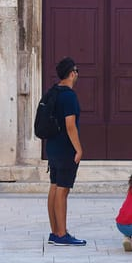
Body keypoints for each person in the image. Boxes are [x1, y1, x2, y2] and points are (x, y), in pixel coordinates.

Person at [45, 57, 86, 246]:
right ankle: (62, 234)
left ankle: (55, 232)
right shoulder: (69, 96)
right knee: (63, 190)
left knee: (54, 187)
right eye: (76, 71)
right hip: (65, 150)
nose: (77, 74)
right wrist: (78, 149)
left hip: (52, 147)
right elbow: (70, 125)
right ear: (71, 73)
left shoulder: (53, 92)